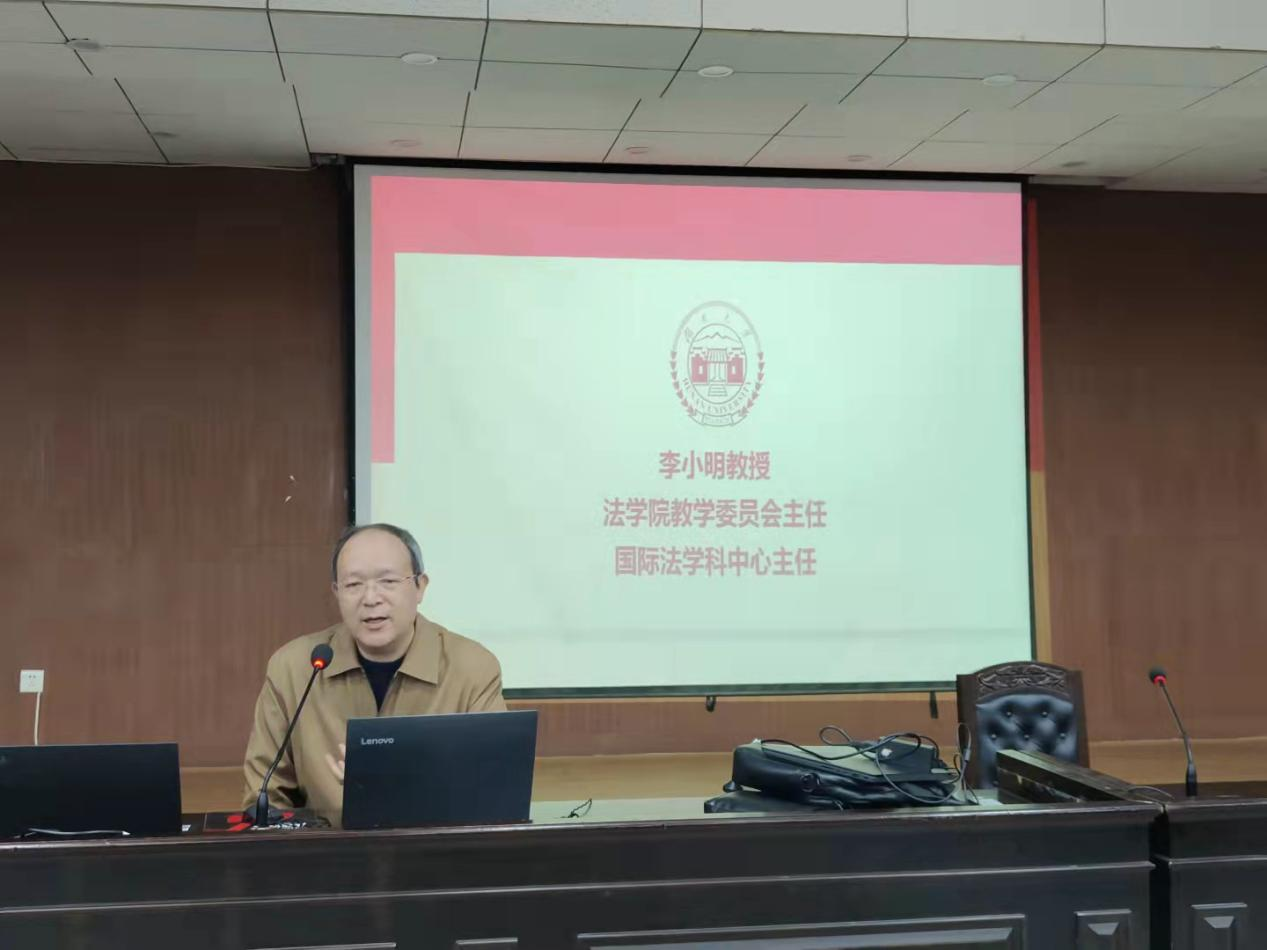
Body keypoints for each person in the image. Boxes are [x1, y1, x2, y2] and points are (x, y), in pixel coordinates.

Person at [242, 523, 505, 822]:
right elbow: (265, 798)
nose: (370, 598)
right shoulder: (295, 668)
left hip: (434, 845)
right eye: (354, 585)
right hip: (327, 846)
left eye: (388, 581)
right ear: (337, 592)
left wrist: (401, 787)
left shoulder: (471, 668)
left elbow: (493, 790)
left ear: (420, 586)